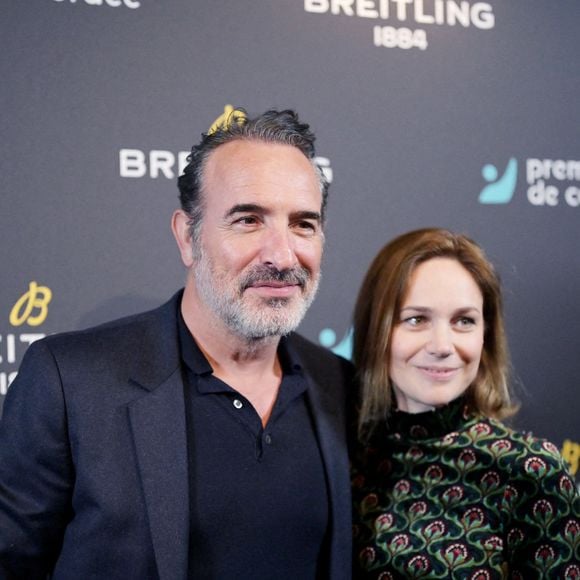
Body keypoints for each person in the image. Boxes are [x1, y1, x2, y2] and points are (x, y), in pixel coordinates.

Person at [0, 109, 353, 579]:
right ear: (188, 236)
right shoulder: (71, 380)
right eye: (248, 220)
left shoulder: (340, 383)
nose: (282, 255)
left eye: (303, 224)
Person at [350, 228, 580, 579]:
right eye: (416, 319)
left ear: (486, 336)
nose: (442, 345)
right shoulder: (341, 458)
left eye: (464, 321)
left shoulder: (530, 471)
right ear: (376, 330)